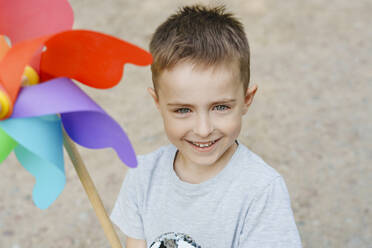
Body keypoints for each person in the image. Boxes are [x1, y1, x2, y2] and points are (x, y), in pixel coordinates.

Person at [111, 4, 302, 248]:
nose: (203, 129)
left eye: (220, 107)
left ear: (246, 100)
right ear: (157, 103)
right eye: (183, 110)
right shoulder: (143, 177)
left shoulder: (260, 190)